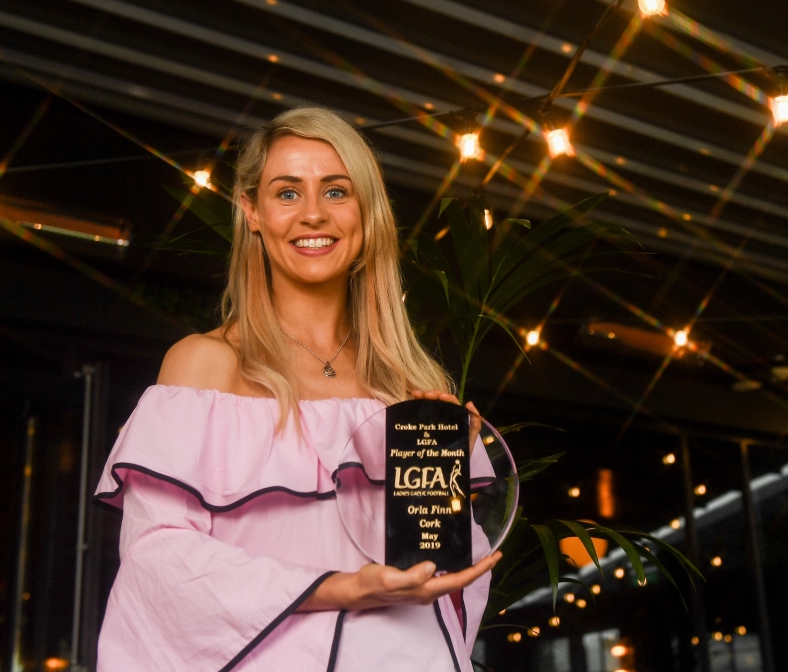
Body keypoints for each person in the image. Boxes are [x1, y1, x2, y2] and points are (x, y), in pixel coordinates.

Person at [93, 107, 500, 671]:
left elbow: (437, 579)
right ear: (251, 211)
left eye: (336, 191)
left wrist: (447, 483)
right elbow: (158, 562)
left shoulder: (410, 388)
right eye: (287, 193)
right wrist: (341, 588)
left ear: (366, 213)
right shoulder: (206, 367)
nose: (313, 214)